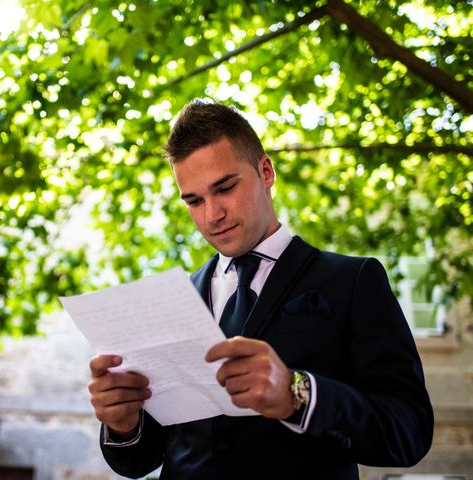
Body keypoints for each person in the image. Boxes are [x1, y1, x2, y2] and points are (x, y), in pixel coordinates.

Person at [87, 100, 433, 479]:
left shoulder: (352, 281)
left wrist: (295, 393)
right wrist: (124, 424)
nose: (211, 215)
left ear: (265, 171)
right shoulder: (177, 300)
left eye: (225, 188)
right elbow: (141, 460)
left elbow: (409, 431)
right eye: (194, 200)